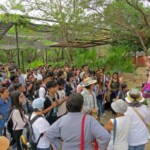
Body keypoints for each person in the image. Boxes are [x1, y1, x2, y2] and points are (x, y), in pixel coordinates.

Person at [45, 93, 110, 150]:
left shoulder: (62, 120)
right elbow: (105, 136)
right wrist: (101, 148)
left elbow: (48, 133)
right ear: (81, 107)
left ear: (67, 107)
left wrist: (60, 146)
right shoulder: (90, 120)